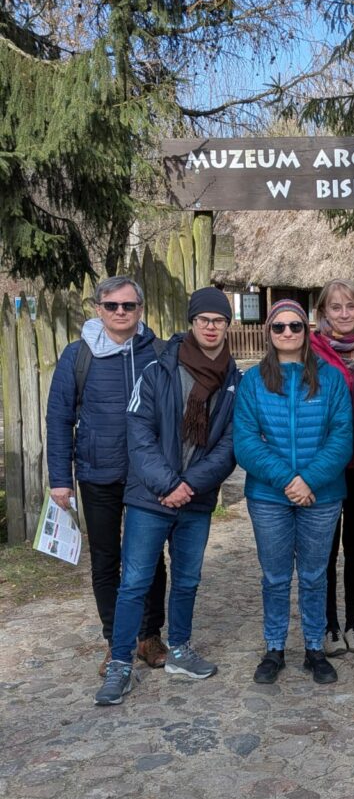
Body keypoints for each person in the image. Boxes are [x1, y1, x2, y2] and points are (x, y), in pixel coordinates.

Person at [93, 287, 239, 705]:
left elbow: (229, 445)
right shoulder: (158, 368)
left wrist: (190, 485)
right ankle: (121, 662)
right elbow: (138, 435)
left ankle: (179, 649)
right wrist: (167, 484)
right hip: (150, 497)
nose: (212, 327)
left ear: (227, 326)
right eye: (204, 320)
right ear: (191, 323)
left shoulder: (233, 379)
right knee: (135, 581)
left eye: (219, 320)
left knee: (188, 579)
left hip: (196, 498)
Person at [46, 276, 167, 677]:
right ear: (98, 308)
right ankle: (116, 640)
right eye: (112, 305)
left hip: (147, 474)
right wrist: (60, 478)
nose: (120, 312)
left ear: (140, 310)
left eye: (128, 306)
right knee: (105, 560)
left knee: (150, 559)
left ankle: (150, 636)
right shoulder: (77, 356)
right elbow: (59, 418)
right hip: (98, 473)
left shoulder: (158, 353)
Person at [234, 299, 352, 685]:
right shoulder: (253, 381)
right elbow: (246, 441)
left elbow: (341, 437)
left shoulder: (330, 379)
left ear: (307, 330)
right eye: (279, 327)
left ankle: (315, 647)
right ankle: (275, 646)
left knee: (316, 574)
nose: (287, 333)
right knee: (275, 575)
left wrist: (310, 480)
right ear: (269, 333)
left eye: (295, 326)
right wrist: (288, 480)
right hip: (270, 496)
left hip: (321, 494)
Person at [310, 280, 354, 657]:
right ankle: (328, 625)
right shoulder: (310, 351)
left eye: (351, 306)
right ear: (323, 313)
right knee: (324, 551)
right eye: (335, 307)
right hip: (325, 466)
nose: (344, 313)